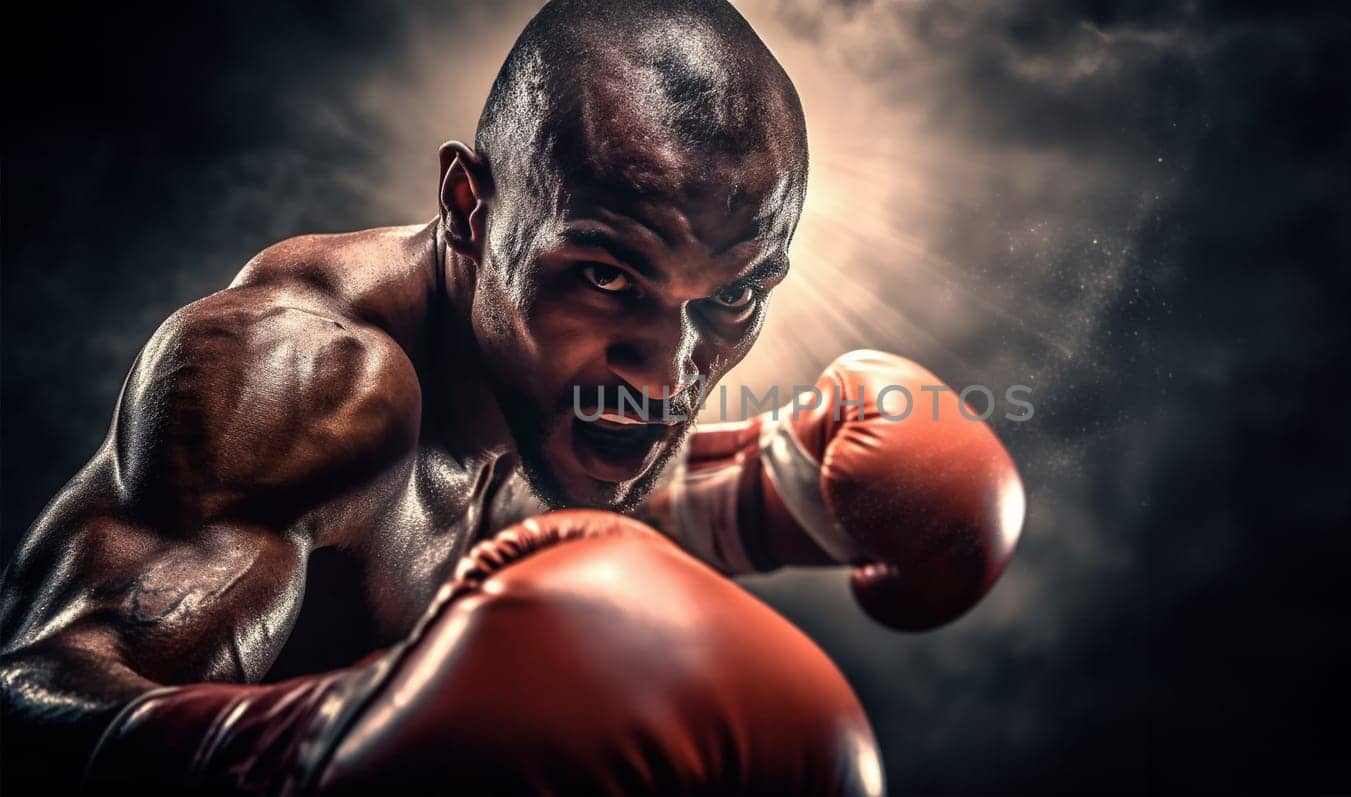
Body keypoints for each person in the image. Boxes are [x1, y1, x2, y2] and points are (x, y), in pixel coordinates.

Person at [0, 0, 1022, 792]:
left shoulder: (610, 380)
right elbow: (34, 705)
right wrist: (314, 741)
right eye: (607, 276)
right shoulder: (303, 387)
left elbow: (589, 542)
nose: (669, 372)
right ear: (469, 207)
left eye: (737, 294)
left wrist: (786, 496)